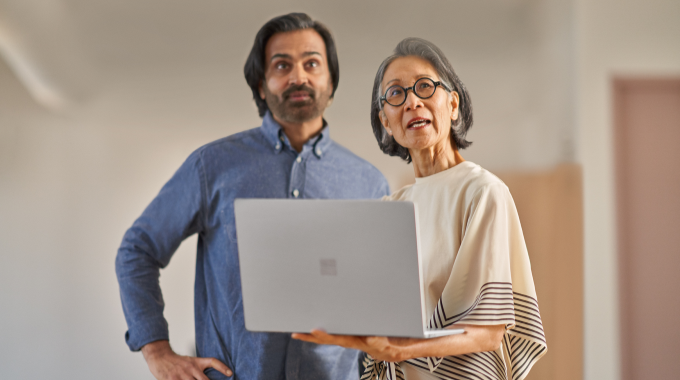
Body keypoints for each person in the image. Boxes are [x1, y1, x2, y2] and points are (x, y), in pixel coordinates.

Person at [115, 13, 389, 380]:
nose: (298, 77)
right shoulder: (212, 165)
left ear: (331, 82)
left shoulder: (369, 183)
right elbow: (138, 249)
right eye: (282, 65)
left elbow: (379, 299)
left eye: (312, 63)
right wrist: (157, 350)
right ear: (262, 85)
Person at [292, 38, 547, 380]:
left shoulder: (483, 192)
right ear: (386, 121)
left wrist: (401, 351)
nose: (412, 101)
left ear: (453, 104)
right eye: (396, 94)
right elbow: (375, 316)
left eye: (425, 87)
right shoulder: (390, 207)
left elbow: (489, 333)